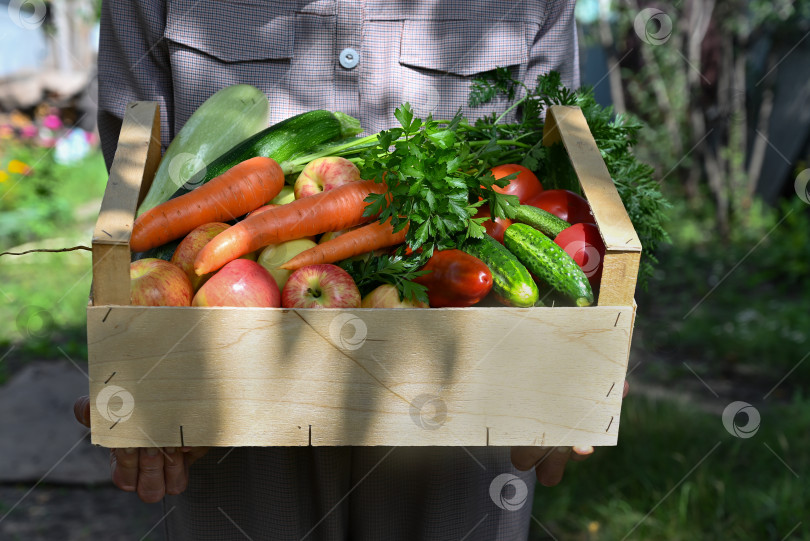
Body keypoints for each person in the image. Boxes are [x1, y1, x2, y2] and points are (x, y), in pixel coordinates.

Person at [74, 1, 628, 539]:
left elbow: (558, 161)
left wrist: (579, 347)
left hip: (464, 425)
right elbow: (139, 198)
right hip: (228, 416)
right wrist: (137, 353)